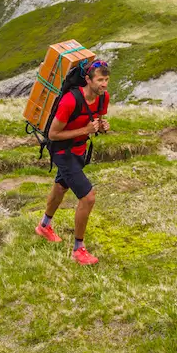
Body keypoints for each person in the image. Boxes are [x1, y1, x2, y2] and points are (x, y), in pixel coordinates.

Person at [35, 61, 111, 265]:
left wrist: (102, 127)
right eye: (100, 80)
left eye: (106, 79)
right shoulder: (70, 101)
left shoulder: (103, 98)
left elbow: (96, 122)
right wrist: (86, 130)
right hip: (62, 151)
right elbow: (53, 134)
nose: (104, 84)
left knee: (60, 186)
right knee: (88, 198)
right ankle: (79, 250)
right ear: (88, 80)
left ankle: (43, 226)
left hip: (79, 149)